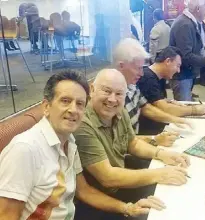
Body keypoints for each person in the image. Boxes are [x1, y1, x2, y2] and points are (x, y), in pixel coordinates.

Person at [0, 70, 165, 220]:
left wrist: (128, 208)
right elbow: (7, 216)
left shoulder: (69, 141)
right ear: (46, 107)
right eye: (65, 101)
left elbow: (84, 191)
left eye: (80, 104)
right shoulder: (24, 149)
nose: (73, 110)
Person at [73, 69, 189, 220]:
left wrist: (162, 154)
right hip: (100, 200)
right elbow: (107, 178)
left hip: (119, 185)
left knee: (175, 195)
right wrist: (159, 174)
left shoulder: (118, 111)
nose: (112, 99)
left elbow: (132, 143)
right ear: (92, 90)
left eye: (119, 94)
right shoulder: (82, 124)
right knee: (165, 206)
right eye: (107, 91)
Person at [113, 38, 192, 145]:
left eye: (142, 68)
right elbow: (119, 141)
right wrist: (154, 140)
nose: (141, 74)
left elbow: (146, 108)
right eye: (138, 68)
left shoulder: (131, 86)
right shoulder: (112, 98)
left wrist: (175, 120)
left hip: (137, 141)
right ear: (121, 66)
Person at [137, 46, 205, 135]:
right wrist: (195, 110)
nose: (178, 71)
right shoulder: (148, 79)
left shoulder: (159, 76)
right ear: (168, 61)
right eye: (177, 66)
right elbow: (166, 109)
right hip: (151, 132)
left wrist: (169, 101)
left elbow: (154, 101)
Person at [169, 0, 205, 101]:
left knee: (187, 105)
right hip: (182, 75)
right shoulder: (185, 25)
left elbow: (198, 46)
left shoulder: (196, 23)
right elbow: (185, 56)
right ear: (198, 9)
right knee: (184, 108)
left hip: (189, 73)